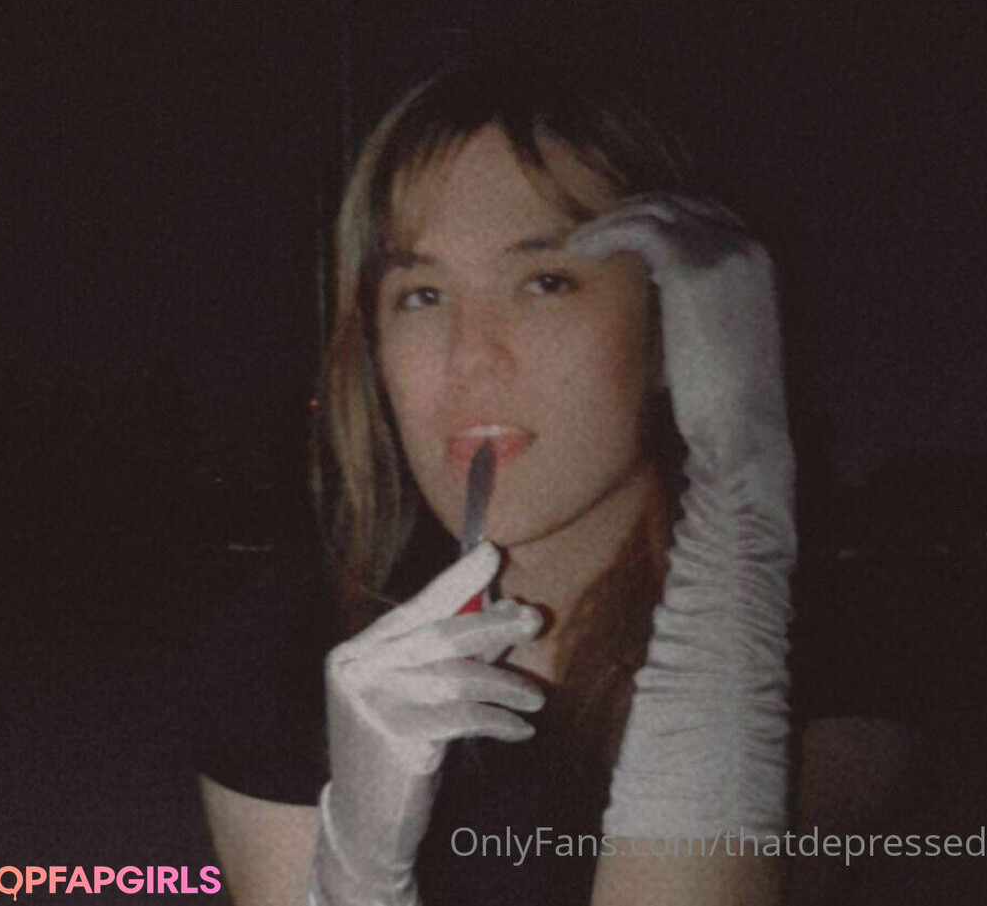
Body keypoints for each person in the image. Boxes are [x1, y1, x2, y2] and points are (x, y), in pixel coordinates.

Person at [199, 51, 898, 905]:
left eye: (546, 280)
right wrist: (355, 869)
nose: (470, 357)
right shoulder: (282, 651)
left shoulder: (827, 653)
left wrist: (739, 496)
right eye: (422, 294)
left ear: (675, 328)